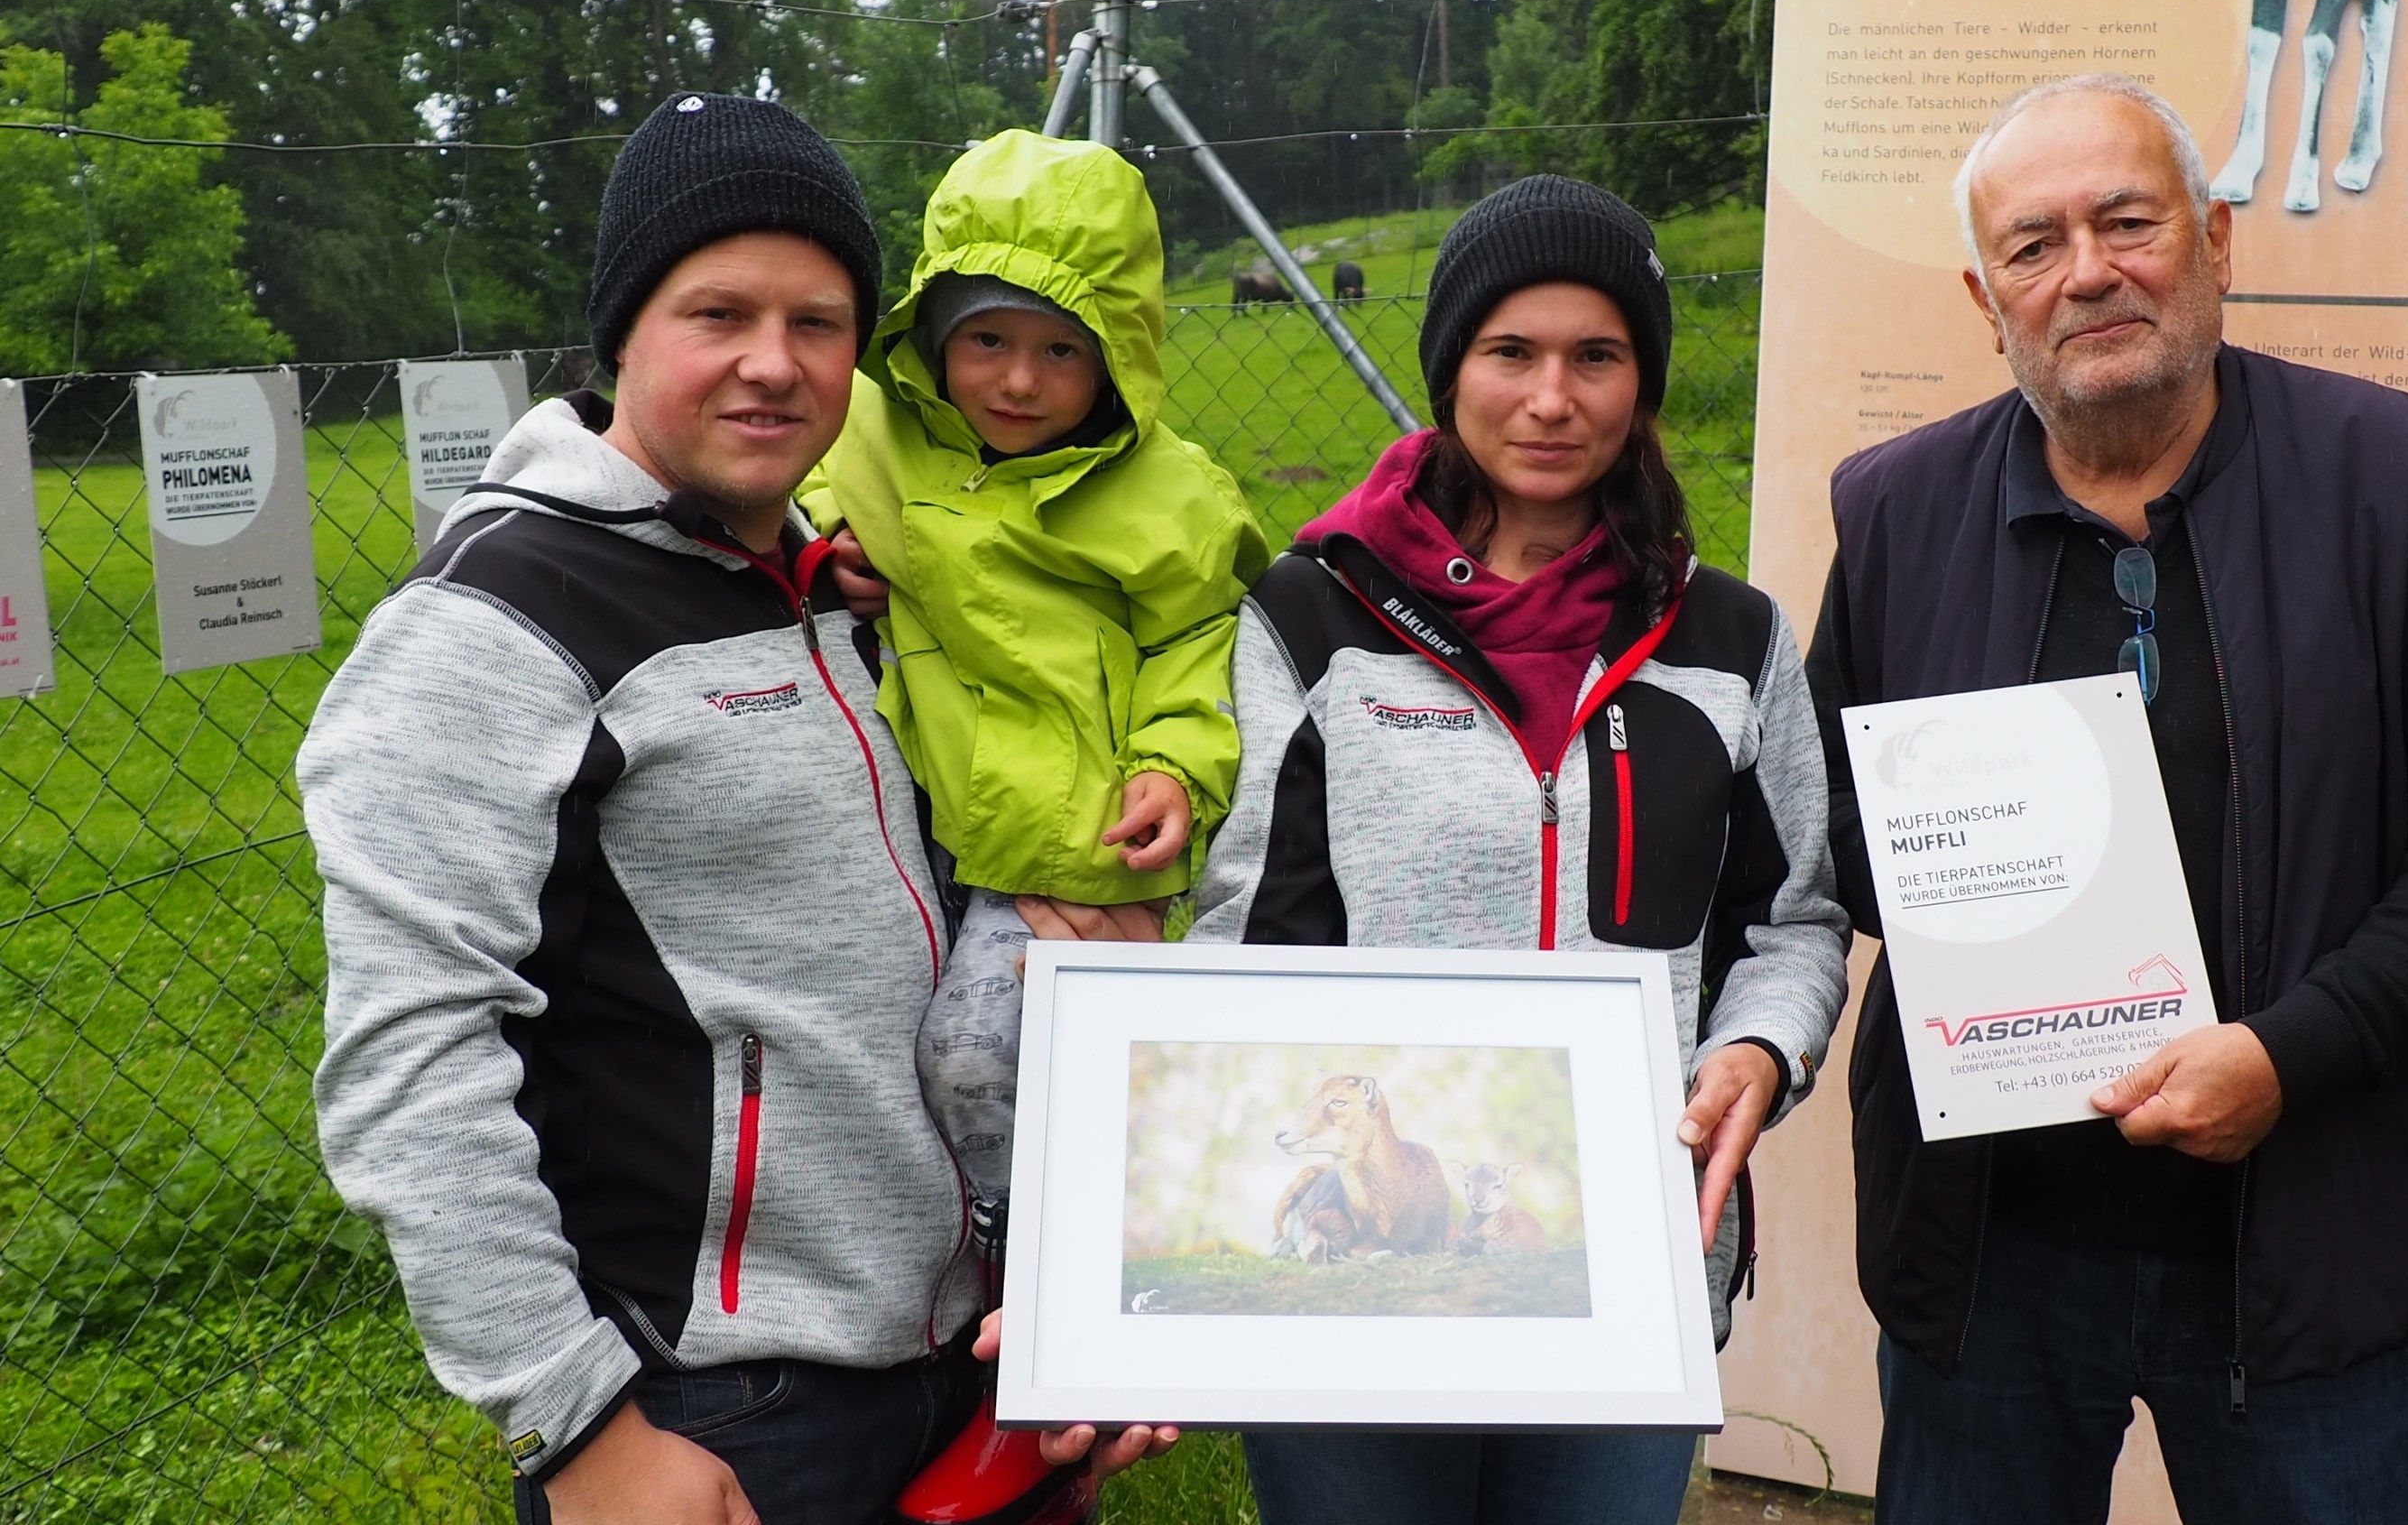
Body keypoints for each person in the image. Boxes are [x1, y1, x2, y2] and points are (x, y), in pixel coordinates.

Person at [300, 93, 1173, 1525]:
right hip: (721, 1418)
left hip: (976, 1366)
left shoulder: (866, 597)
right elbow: (409, 1058)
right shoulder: (495, 629)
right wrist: (577, 1427)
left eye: (818, 322)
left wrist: (1094, 1288)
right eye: (718, 313)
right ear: (621, 332)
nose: (773, 366)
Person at [1807, 73, 2408, 1524]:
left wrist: (2292, 1054)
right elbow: (1834, 826)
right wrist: (1950, 872)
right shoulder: (1897, 513)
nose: (2087, 272)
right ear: (1988, 296)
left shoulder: (2382, 483)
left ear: (2218, 240)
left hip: (2318, 1235)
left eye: (2129, 222)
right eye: (2034, 247)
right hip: (1995, 1257)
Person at [1192, 175, 1851, 1525]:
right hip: (1363, 1284)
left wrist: (1758, 1050)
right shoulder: (1312, 616)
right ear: (1452, 372)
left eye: (1596, 357)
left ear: (1642, 383)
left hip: (1633, 1252)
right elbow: (1253, 929)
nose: (1553, 400)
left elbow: (1792, 921)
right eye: (1511, 353)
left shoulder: (1733, 642)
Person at [805, 126, 1265, 1220]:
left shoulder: (1172, 499)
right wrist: (829, 549)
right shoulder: (874, 431)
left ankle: (1046, 1263)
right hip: (909, 827)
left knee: (978, 1060)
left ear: (1120, 354)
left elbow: (1197, 652)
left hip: (1069, 851)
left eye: (1063, 351)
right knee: (877, 1074)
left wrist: (1171, 771)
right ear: (930, 335)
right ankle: (970, 1263)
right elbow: (802, 493)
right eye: (988, 341)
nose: (1018, 380)